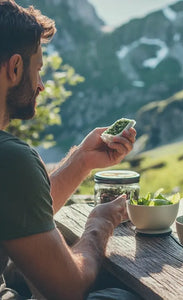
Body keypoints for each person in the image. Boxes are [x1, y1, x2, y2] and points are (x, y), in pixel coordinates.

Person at [0, 1, 139, 299]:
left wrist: (83, 160)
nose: (42, 85)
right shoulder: (10, 158)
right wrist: (99, 224)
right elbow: (68, 289)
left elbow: (17, 207)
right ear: (14, 67)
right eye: (38, 69)